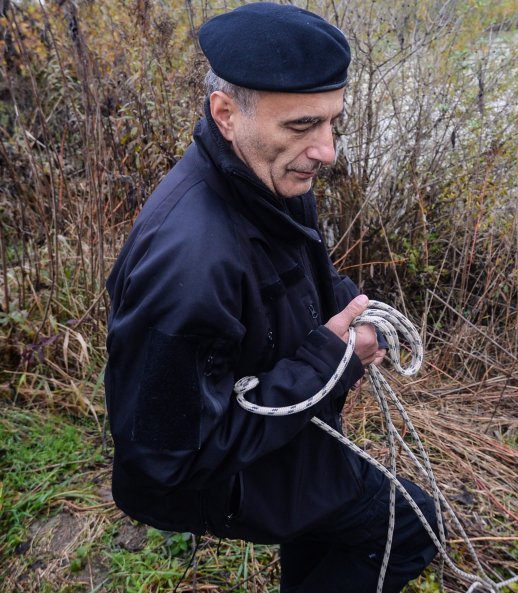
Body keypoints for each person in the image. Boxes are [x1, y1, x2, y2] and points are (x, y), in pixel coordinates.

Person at [104, 5, 437, 592]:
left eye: (332, 122)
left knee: (327, 526)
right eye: (302, 125)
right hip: (215, 482)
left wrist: (354, 310)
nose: (326, 150)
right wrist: (333, 360)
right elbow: (165, 463)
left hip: (282, 431)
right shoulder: (189, 262)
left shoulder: (271, 178)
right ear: (226, 114)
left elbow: (303, 281)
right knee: (411, 525)